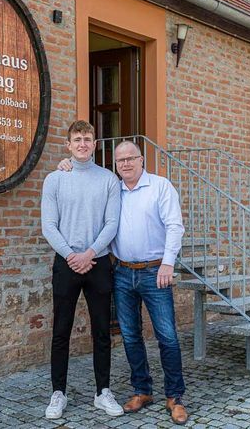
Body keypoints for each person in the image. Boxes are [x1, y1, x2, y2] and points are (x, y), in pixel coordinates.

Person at [58, 140, 188, 425]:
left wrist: (168, 262)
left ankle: (175, 396)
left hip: (155, 271)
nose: (126, 164)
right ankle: (143, 390)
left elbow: (175, 226)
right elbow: (86, 181)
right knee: (130, 336)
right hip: (122, 272)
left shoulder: (159, 186)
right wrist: (65, 165)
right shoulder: (112, 188)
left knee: (167, 335)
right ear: (115, 165)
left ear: (142, 160)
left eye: (131, 158)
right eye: (120, 161)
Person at [41, 120, 123, 420]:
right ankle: (58, 393)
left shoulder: (109, 180)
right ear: (68, 144)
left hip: (98, 263)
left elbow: (111, 223)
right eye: (77, 139)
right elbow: (48, 225)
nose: (83, 144)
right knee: (60, 330)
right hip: (66, 263)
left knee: (102, 331)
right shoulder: (55, 179)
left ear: (95, 144)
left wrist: (89, 253)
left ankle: (103, 392)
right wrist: (71, 256)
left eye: (88, 139)